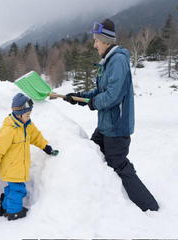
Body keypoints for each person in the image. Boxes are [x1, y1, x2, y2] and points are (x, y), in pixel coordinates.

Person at [64, 19, 159, 212]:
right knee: (93, 153)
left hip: (117, 126)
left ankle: (149, 206)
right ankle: (100, 197)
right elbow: (101, 90)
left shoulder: (118, 61)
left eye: (96, 40)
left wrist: (93, 103)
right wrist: (78, 97)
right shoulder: (108, 61)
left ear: (105, 41)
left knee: (119, 164)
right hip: (106, 124)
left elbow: (112, 96)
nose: (94, 44)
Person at [0, 93, 59, 221]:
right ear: (19, 114)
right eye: (27, 115)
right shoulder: (10, 129)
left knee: (12, 189)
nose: (29, 117)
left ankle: (4, 207)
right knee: (18, 190)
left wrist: (45, 147)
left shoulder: (27, 125)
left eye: (29, 115)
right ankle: (14, 212)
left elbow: (36, 136)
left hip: (18, 166)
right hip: (12, 167)